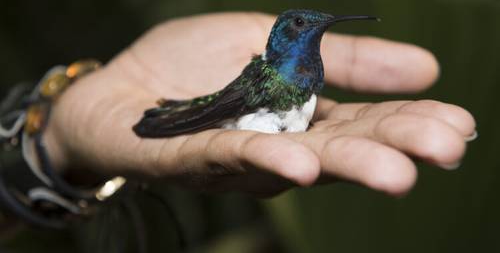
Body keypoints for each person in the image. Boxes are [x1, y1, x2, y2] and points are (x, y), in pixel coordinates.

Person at [40, 12, 475, 198]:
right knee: (192, 112)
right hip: (245, 112)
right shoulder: (267, 75)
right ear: (287, 34)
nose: (313, 27)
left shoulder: (309, 68)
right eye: (304, 23)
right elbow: (218, 108)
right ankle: (167, 113)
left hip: (286, 112)